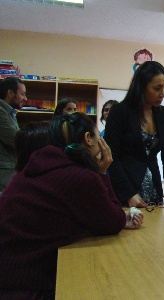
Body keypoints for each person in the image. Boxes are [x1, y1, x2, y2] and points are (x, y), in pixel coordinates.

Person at [0, 112, 143, 299]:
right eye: (99, 137)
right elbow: (113, 221)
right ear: (88, 139)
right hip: (29, 285)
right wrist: (101, 172)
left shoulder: (34, 166)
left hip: (8, 273)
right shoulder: (81, 177)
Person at [104, 61, 164, 208]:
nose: (162, 94)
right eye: (157, 88)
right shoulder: (119, 111)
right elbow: (112, 157)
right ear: (141, 86)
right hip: (126, 188)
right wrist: (128, 193)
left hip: (154, 187)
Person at [0, 76, 26, 190]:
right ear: (10, 93)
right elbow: (16, 139)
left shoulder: (9, 112)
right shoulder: (1, 113)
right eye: (23, 94)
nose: (25, 98)